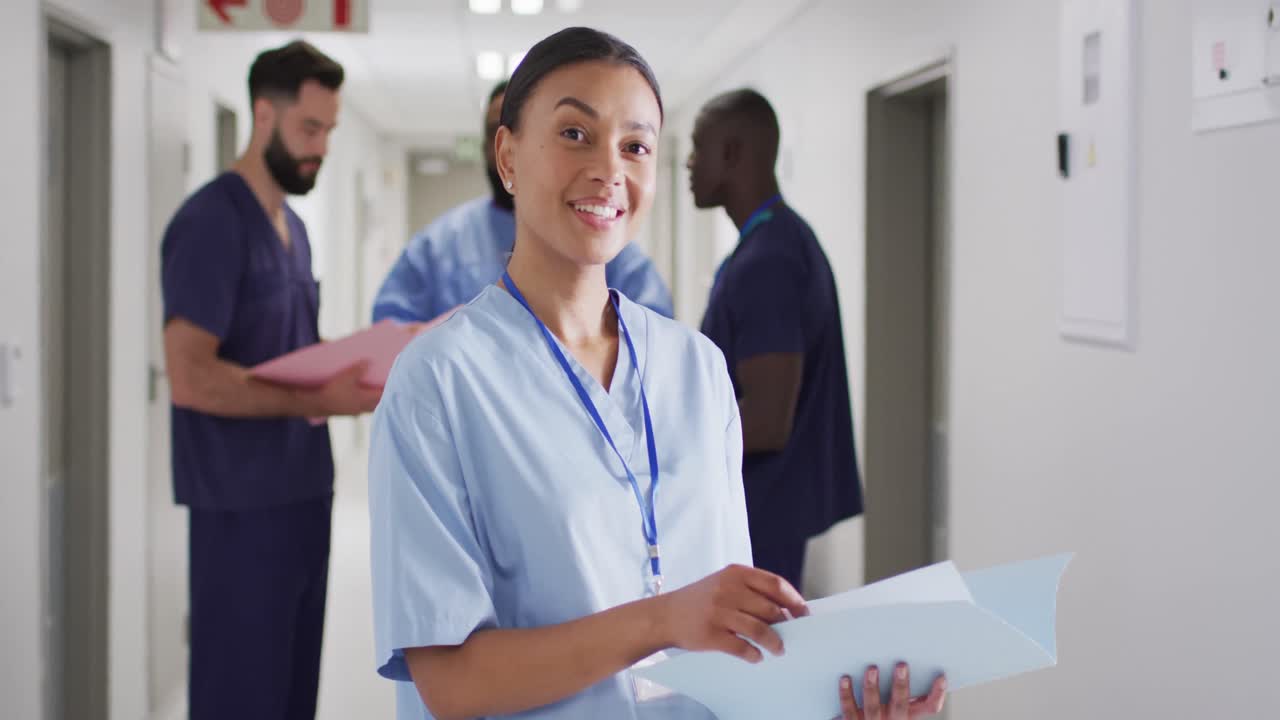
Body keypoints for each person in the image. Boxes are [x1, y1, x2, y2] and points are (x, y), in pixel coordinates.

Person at [368, 27, 944, 720]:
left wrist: (831, 704)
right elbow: (453, 685)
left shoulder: (697, 369)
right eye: (576, 133)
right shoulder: (439, 384)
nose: (610, 168)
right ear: (508, 154)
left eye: (636, 145)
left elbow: (736, 643)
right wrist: (661, 619)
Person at [161, 40, 381, 720]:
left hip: (302, 499)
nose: (320, 148)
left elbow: (292, 352)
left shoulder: (293, 228)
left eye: (328, 131)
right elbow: (192, 378)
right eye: (309, 129)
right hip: (240, 510)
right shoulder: (210, 223)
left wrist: (367, 364)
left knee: (290, 697)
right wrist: (322, 398)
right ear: (264, 116)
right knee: (241, 697)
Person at [688, 89, 863, 592]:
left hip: (760, 514)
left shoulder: (770, 261)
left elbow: (766, 421)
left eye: (700, 147)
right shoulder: (776, 241)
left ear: (733, 152)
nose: (689, 164)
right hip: (764, 507)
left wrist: (670, 444)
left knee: (753, 659)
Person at [370, 80, 675, 324]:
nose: (514, 149)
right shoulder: (437, 246)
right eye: (497, 133)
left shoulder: (608, 245)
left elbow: (654, 344)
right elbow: (392, 342)